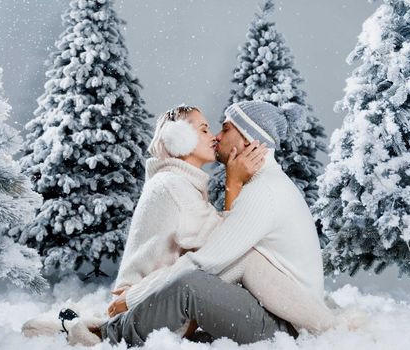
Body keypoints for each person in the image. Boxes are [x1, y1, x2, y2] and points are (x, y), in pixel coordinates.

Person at [70, 101, 350, 347]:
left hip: (284, 323)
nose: (216, 136)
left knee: (194, 283)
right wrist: (233, 183)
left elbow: (208, 260)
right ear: (179, 139)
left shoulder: (262, 192)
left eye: (225, 129)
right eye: (206, 129)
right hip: (272, 312)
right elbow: (220, 252)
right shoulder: (182, 184)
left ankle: (106, 335)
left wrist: (134, 297)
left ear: (249, 140)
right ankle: (113, 332)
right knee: (197, 283)